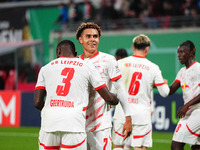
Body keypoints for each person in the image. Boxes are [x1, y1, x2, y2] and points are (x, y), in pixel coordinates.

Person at [33, 39, 119, 150]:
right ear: (75, 54)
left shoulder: (45, 68)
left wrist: (50, 110)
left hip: (49, 123)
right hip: (74, 123)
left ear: (58, 51)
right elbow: (108, 97)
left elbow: (37, 102)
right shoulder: (87, 67)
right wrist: (115, 100)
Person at [75, 22, 132, 150]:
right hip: (78, 124)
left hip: (101, 125)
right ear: (80, 39)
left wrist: (128, 117)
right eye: (88, 36)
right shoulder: (75, 63)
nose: (92, 40)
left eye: (95, 36)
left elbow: (120, 88)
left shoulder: (108, 60)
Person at [112, 34, 170, 150]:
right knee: (140, 147)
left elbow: (113, 91)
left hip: (122, 113)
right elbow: (164, 93)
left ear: (133, 48)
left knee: (118, 145)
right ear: (147, 49)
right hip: (141, 115)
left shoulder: (119, 63)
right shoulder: (153, 67)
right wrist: (164, 84)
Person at [169, 40, 200, 150]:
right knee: (196, 146)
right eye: (178, 52)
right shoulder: (182, 71)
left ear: (191, 53)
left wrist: (186, 105)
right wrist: (156, 83)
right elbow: (171, 90)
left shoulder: (198, 68)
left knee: (176, 145)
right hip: (189, 112)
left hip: (197, 111)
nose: (179, 55)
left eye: (182, 52)